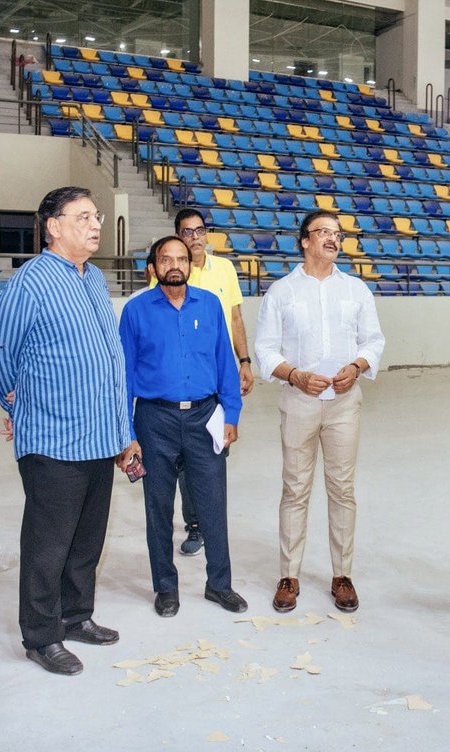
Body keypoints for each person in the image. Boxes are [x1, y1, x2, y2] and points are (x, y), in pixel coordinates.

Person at [0, 186, 130, 677]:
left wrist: (122, 432)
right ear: (53, 226)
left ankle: (76, 616)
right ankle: (41, 636)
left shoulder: (93, 279)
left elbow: (110, 361)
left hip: (99, 437)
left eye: (97, 216)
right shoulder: (31, 282)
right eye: (83, 216)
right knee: (48, 545)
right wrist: (15, 402)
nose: (95, 225)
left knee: (87, 541)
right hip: (53, 440)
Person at [254, 209, 385, 614]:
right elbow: (265, 349)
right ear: (305, 241)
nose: (333, 238)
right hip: (299, 402)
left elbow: (373, 341)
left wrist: (356, 367)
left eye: (338, 233)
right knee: (295, 488)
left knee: (342, 490)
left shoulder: (357, 290)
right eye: (323, 232)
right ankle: (288, 575)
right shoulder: (281, 292)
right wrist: (293, 375)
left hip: (344, 403)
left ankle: (341, 574)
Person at [119, 236, 247, 618]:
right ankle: (166, 588)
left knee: (213, 504)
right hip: (154, 419)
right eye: (165, 259)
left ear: (190, 264)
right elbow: (123, 375)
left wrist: (232, 415)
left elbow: (225, 362)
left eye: (181, 258)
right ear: (153, 266)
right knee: (158, 507)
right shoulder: (135, 311)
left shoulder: (208, 305)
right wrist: (127, 433)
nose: (174, 265)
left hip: (204, 417)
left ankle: (219, 585)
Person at [165, 208, 255, 557]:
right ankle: (196, 525)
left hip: (219, 377)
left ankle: (211, 520)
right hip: (184, 379)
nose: (195, 237)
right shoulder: (171, 271)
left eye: (200, 230)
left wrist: (244, 361)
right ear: (178, 236)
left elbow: (235, 317)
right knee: (186, 458)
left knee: (215, 451)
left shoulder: (225, 269)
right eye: (187, 232)